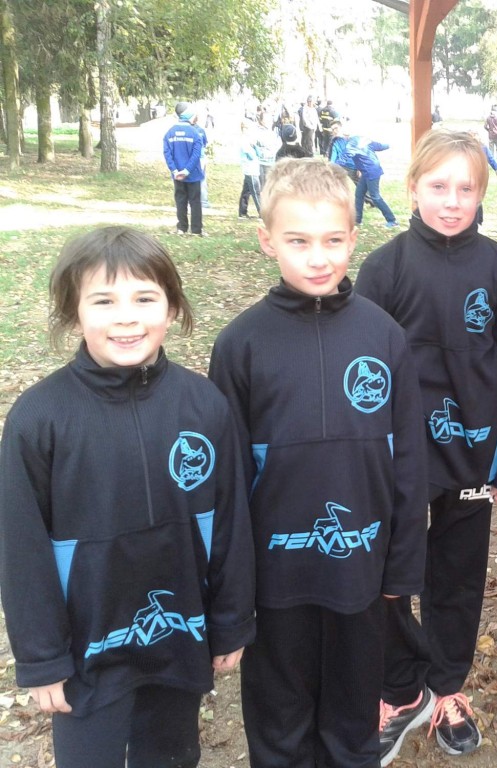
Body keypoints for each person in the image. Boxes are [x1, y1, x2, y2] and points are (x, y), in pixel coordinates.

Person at [0, 226, 256, 768]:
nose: (126, 318)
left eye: (144, 298)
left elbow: (231, 521)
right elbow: (21, 551)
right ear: (73, 313)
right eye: (103, 301)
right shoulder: (40, 419)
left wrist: (231, 619)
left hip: (178, 637)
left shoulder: (204, 405)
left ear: (172, 307)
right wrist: (42, 658)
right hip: (87, 652)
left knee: (171, 755)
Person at [208, 159, 427, 768]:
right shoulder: (241, 344)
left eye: (332, 240)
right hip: (275, 582)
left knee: (352, 720)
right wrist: (234, 591)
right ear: (267, 240)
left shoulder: (384, 336)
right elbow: (226, 485)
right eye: (298, 241)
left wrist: (402, 567)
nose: (317, 258)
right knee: (280, 721)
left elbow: (409, 462)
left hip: (362, 573)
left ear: (354, 238)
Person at [354, 130, 497, 764]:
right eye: (438, 186)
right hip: (399, 460)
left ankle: (447, 688)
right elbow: (360, 375)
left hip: (472, 455)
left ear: (483, 194)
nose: (452, 201)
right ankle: (401, 690)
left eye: (466, 188)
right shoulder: (384, 268)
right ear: (412, 189)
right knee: (389, 577)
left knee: (456, 576)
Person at [162, 102, 206, 236]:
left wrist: (175, 170)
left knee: (180, 201)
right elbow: (196, 154)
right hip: (193, 175)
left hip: (177, 176)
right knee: (195, 201)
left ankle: (181, 228)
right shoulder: (195, 133)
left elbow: (167, 153)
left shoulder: (169, 133)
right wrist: (187, 170)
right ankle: (196, 230)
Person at [349, 133, 400, 228]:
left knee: (375, 197)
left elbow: (380, 146)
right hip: (366, 172)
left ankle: (392, 220)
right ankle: (357, 220)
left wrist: (391, 144)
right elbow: (380, 146)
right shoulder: (363, 142)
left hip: (372, 172)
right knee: (359, 194)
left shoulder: (353, 145)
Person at [238, 120, 262, 219]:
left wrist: (255, 146)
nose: (247, 130)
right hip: (250, 169)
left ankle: (242, 212)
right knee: (256, 192)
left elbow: (259, 154)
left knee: (246, 191)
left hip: (254, 168)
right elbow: (251, 155)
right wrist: (253, 147)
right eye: (245, 128)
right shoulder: (243, 140)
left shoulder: (251, 140)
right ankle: (262, 212)